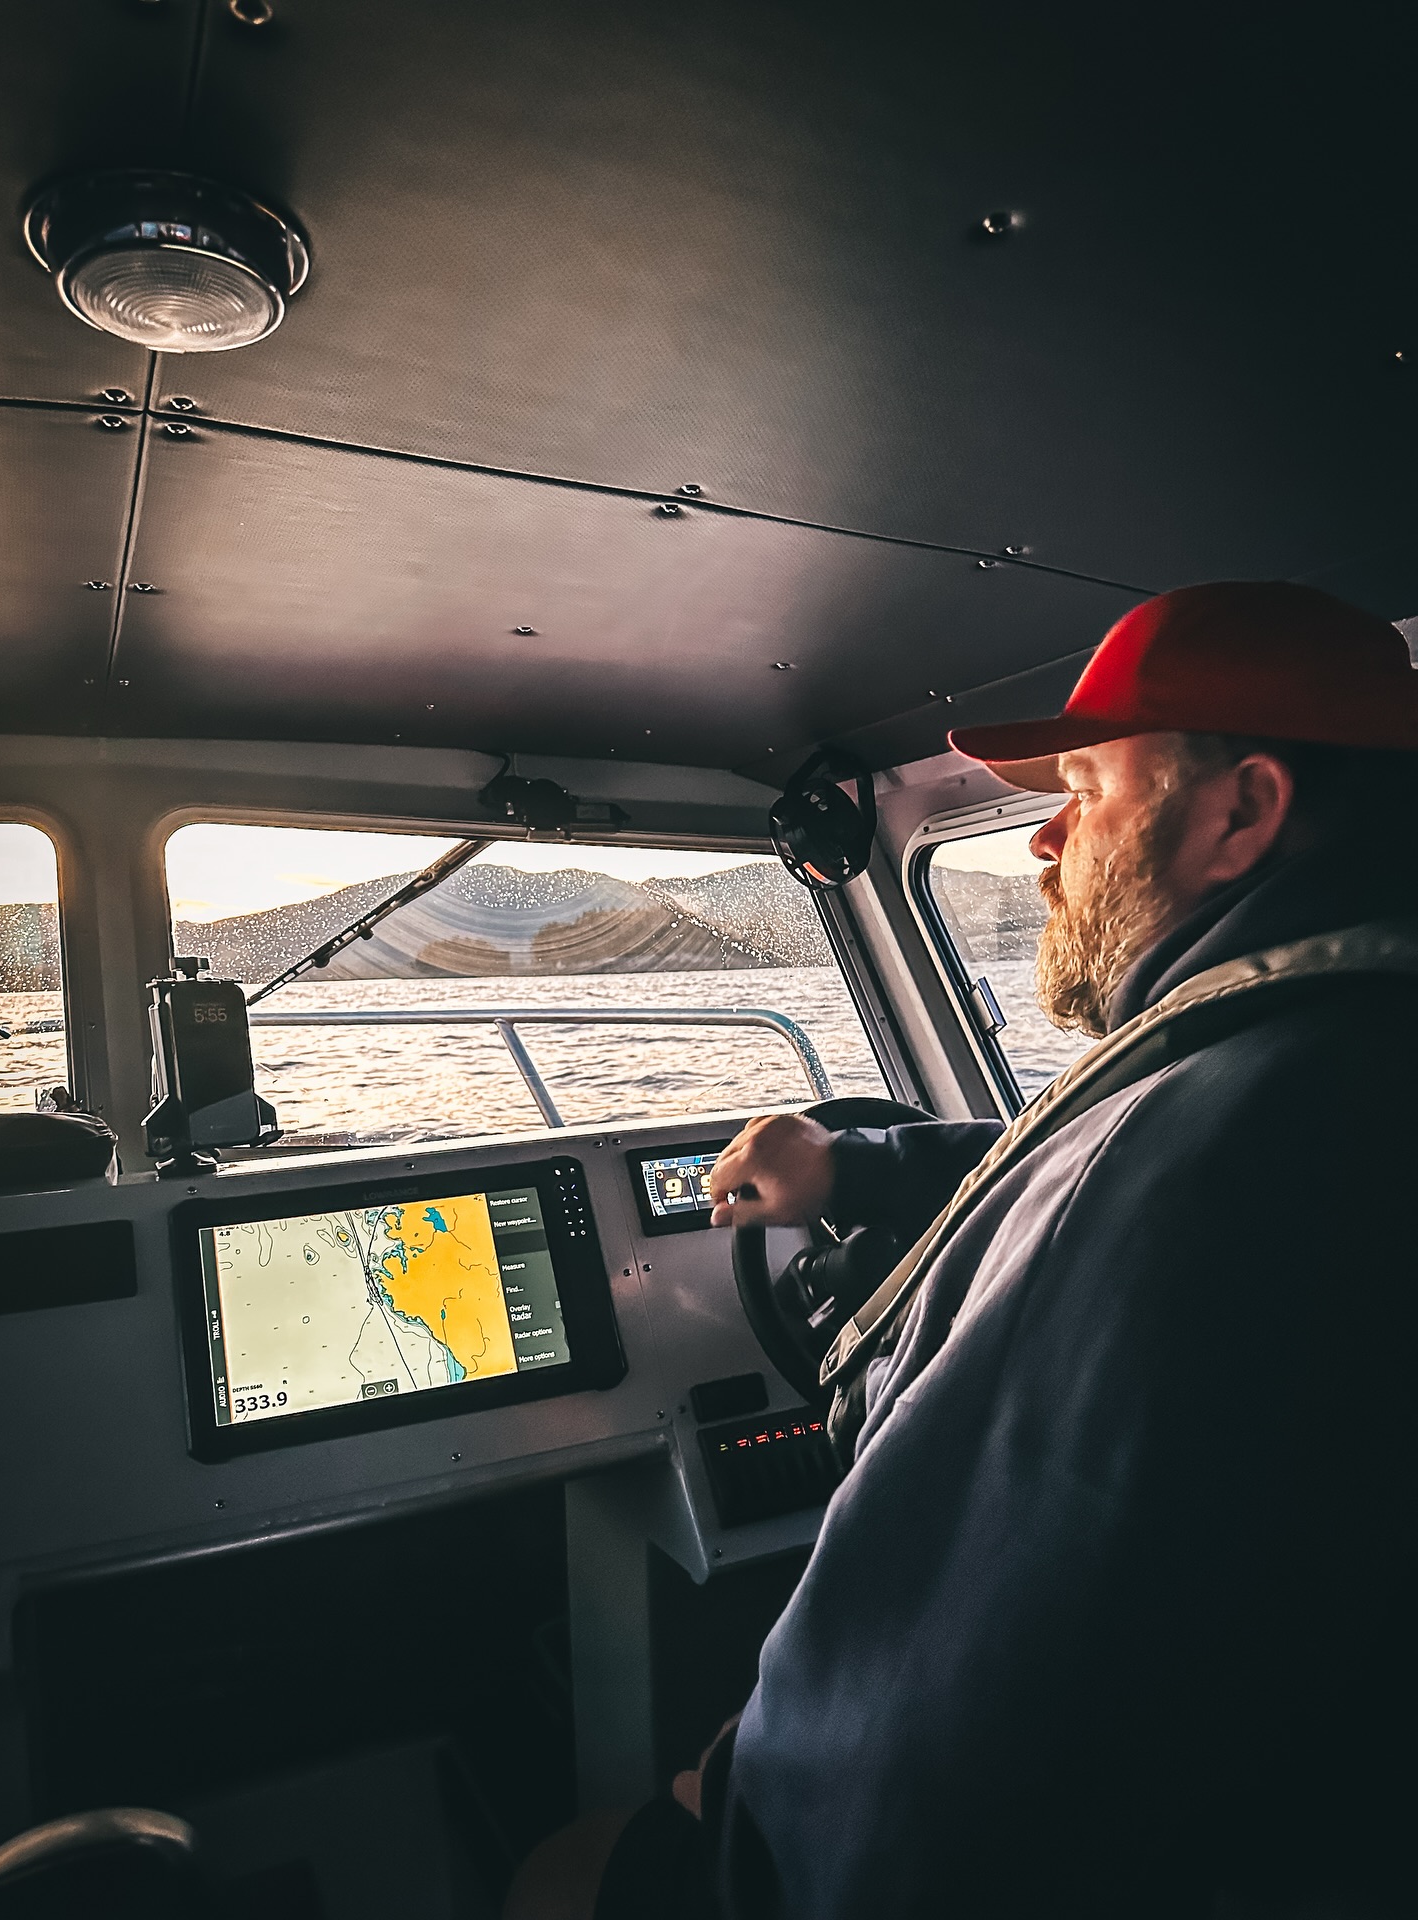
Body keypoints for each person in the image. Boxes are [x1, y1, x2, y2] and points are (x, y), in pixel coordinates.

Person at [508, 581, 1418, 1920]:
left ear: (1243, 812)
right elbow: (1059, 1165)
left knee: (562, 1872)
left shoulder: (1171, 1182)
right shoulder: (1325, 1069)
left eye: (1088, 787)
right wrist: (849, 1166)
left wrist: (724, 1809)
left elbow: (923, 1727)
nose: (1046, 839)